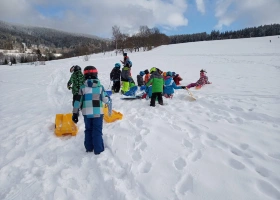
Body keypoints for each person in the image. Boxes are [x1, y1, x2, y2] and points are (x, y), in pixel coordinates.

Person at [72, 66, 110, 154]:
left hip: (86, 113)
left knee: (88, 129)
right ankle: (98, 150)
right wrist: (108, 99)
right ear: (96, 74)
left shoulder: (82, 87)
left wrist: (75, 113)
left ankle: (89, 148)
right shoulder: (100, 87)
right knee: (97, 130)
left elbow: (77, 101)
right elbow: (105, 100)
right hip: (97, 113)